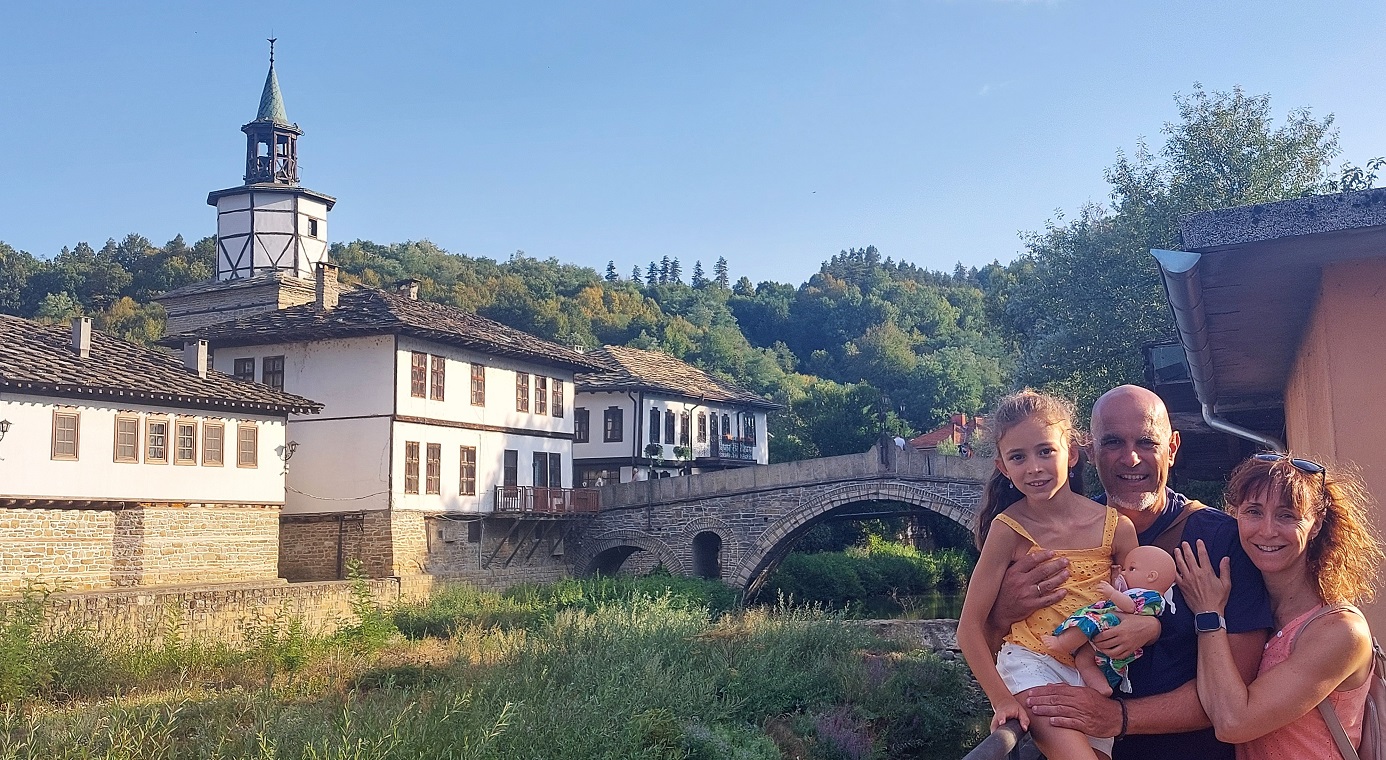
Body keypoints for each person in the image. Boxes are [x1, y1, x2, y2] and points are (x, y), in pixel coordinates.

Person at [992, 385, 1273, 759]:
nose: (1131, 458)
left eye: (1146, 442)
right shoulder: (1052, 535)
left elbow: (1238, 687)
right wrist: (1003, 613)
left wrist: (1119, 718)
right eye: (1112, 443)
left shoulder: (1222, 541)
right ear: (1089, 451)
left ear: (1172, 448)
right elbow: (1003, 647)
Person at [958, 389, 1139, 760]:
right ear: (1003, 468)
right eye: (1018, 457)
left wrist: (1146, 627)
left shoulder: (1117, 528)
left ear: (1071, 453)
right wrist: (1002, 700)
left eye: (1045, 451)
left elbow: (1141, 603)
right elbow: (969, 627)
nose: (1034, 467)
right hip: (1032, 664)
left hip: (1096, 674)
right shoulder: (1008, 530)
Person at [1176, 453, 1383, 759]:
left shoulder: (1341, 631)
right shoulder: (1248, 612)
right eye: (1253, 512)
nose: (1268, 530)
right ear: (1235, 515)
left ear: (1316, 524)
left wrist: (1208, 615)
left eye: (1287, 516)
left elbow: (1233, 723)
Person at [1044, 545, 1177, 696]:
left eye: (1131, 569)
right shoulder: (1136, 591)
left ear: (1151, 576)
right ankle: (1101, 687)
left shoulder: (1151, 596)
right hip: (1113, 633)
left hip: (1114, 626)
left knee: (1086, 623)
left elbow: (1130, 606)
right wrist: (1116, 579)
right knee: (1083, 660)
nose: (1124, 573)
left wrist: (1112, 593)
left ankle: (1062, 644)